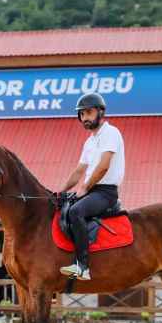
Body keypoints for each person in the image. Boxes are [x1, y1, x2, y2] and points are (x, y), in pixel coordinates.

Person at [59, 93, 125, 280]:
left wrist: (85, 188)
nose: (84, 118)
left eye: (88, 112)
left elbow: (103, 166)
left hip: (105, 192)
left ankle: (83, 266)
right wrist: (61, 191)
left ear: (100, 112)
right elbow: (79, 171)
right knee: (62, 207)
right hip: (92, 190)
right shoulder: (89, 141)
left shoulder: (111, 133)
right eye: (81, 114)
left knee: (75, 212)